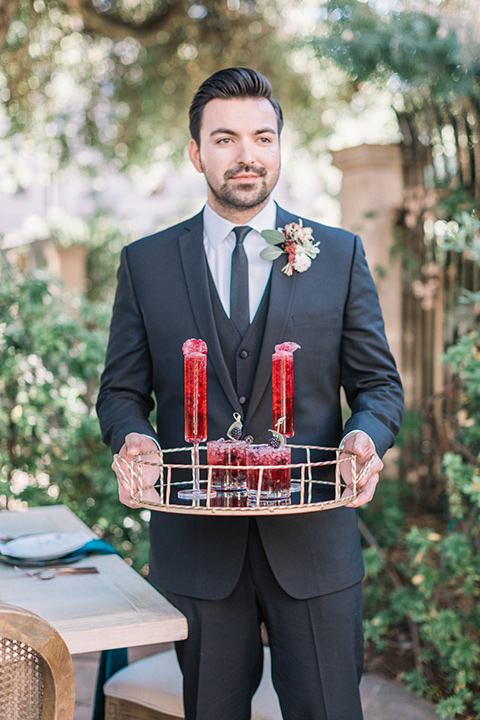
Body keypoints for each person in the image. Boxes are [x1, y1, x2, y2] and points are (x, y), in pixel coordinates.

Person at [97, 67, 404, 720]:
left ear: (280, 148)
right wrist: (135, 437)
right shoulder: (146, 263)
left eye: (263, 138)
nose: (247, 155)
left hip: (316, 551)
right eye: (226, 138)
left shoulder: (339, 255)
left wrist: (362, 437)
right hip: (199, 555)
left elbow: (379, 386)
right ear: (196, 152)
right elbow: (122, 392)